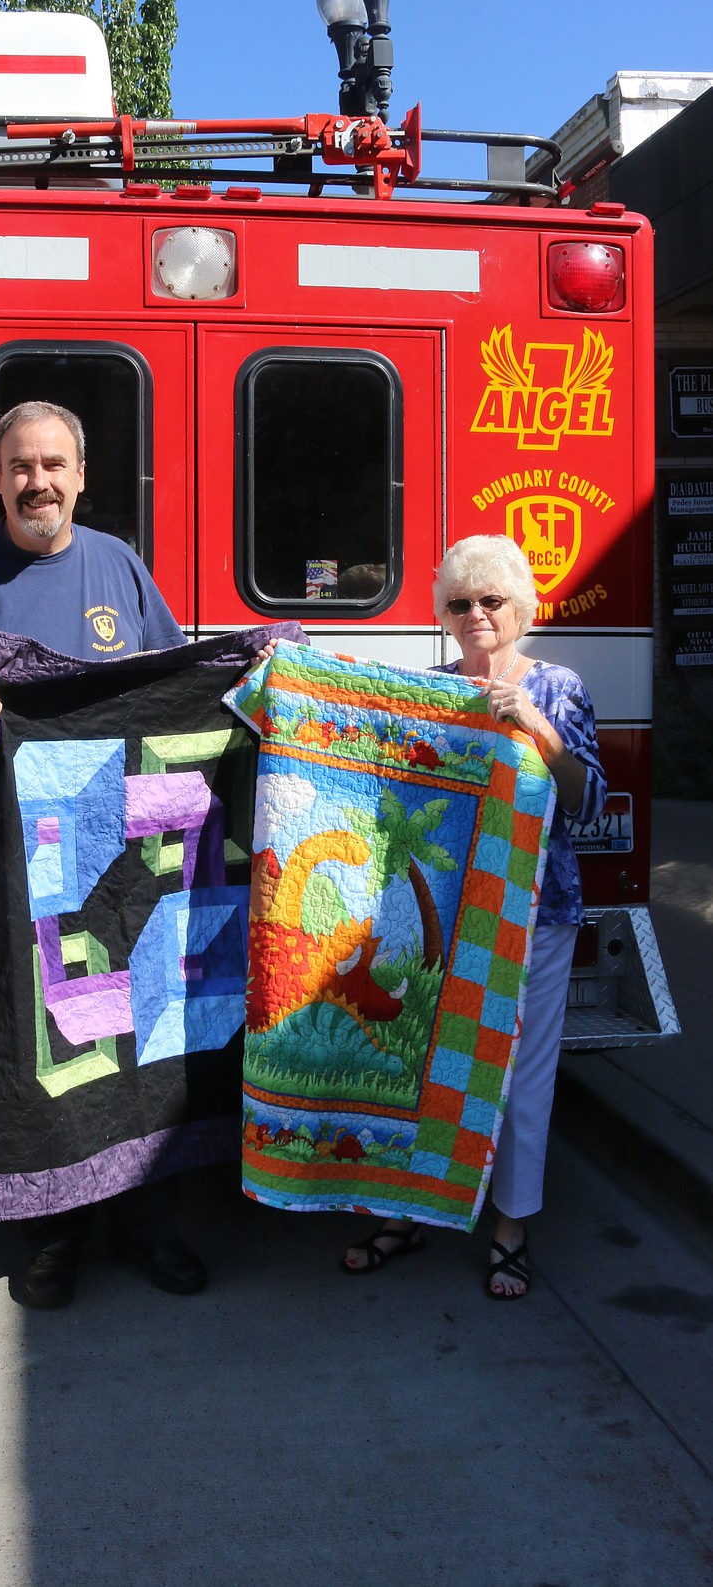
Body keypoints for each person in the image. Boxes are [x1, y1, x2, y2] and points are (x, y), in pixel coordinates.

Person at [0, 399, 208, 1310]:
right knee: (45, 1050)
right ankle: (53, 1239)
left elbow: (174, 691)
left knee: (142, 1042)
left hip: (128, 855)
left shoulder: (118, 564)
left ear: (81, 475)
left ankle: (152, 1227)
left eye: (54, 464)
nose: (39, 482)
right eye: (20, 466)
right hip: (15, 864)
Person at [341, 533, 606, 1299]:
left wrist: (529, 720)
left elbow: (584, 798)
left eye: (491, 599)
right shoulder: (435, 689)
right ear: (445, 614)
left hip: (537, 909)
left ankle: (511, 1226)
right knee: (424, 1061)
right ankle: (409, 1210)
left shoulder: (557, 685)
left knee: (522, 1073)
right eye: (460, 603)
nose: (477, 614)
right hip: (448, 912)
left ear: (519, 607)